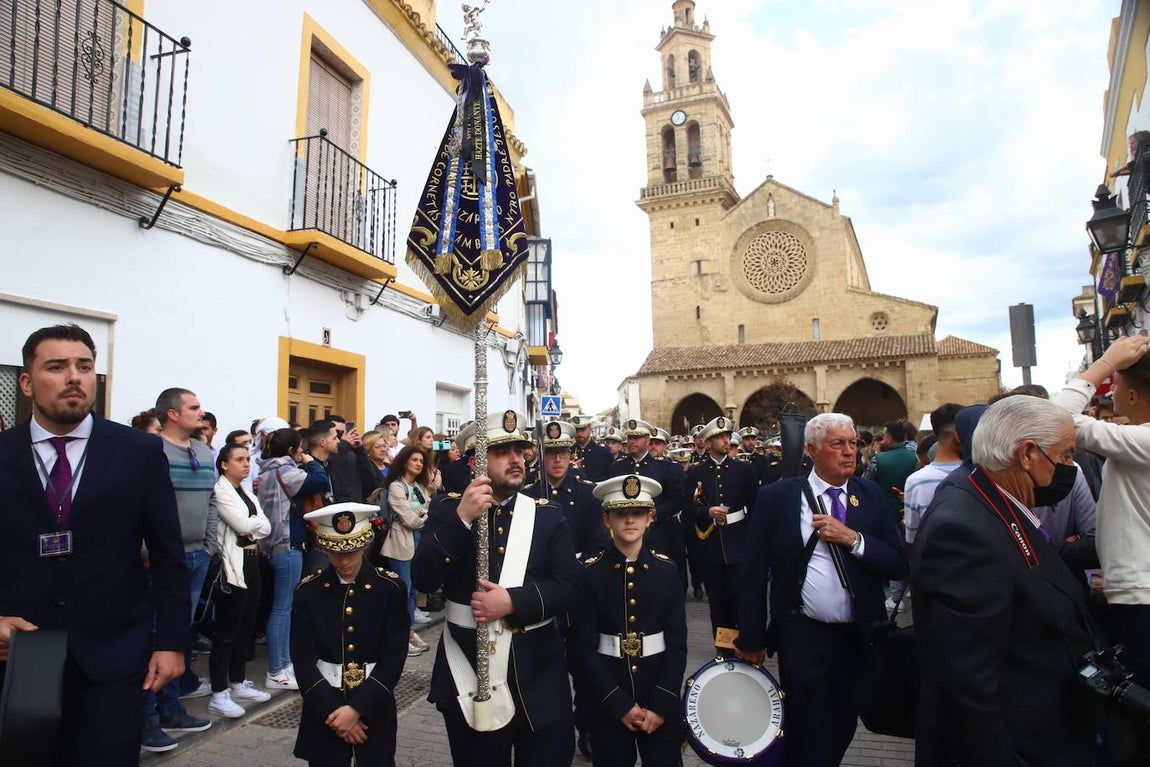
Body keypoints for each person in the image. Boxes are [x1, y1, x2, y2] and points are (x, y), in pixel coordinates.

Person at [0, 324, 189, 762]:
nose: (74, 377)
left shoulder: (137, 452)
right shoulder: (4, 454)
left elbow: (167, 554)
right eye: (56, 366)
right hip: (20, 657)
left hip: (114, 657)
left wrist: (172, 642)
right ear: (26, 382)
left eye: (84, 366)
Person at [912, 395, 1102, 766]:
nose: (1070, 467)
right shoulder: (963, 528)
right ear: (1027, 453)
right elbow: (967, 684)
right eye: (1065, 455)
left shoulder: (988, 502)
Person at [735, 413, 907, 767]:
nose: (849, 453)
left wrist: (853, 540)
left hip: (858, 636)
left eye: (853, 444)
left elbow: (897, 563)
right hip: (804, 635)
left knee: (844, 723)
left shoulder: (869, 494)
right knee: (808, 726)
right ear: (812, 450)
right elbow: (753, 573)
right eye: (838, 444)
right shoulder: (777, 498)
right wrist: (752, 638)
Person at [411, 410, 582, 766]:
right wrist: (463, 519)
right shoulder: (447, 512)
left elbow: (570, 587)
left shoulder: (548, 515)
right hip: (470, 672)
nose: (516, 459)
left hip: (539, 676)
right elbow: (424, 579)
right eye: (503, 452)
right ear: (476, 461)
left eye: (519, 450)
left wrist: (513, 602)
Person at [1051, 334, 1150, 757]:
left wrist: (1104, 361)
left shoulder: (1142, 443)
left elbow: (1052, 418)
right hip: (1133, 590)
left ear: (1129, 393)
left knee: (1132, 714)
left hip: (1140, 598)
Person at [572, 474, 687, 767]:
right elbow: (582, 648)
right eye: (620, 514)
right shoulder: (590, 573)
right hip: (609, 698)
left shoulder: (666, 569)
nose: (630, 521)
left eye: (637, 513)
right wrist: (617, 704)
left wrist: (661, 703)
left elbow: (677, 643)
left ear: (650, 518)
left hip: (657, 692)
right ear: (606, 520)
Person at [292, 503, 410, 767]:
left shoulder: (390, 589)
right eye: (335, 552)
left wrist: (357, 709)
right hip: (324, 706)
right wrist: (335, 713)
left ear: (365, 545)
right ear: (325, 548)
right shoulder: (308, 592)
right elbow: (302, 660)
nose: (344, 561)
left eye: (352, 551)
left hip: (374, 704)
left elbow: (394, 656)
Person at [149, 387, 217, 736]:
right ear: (172, 414)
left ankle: (172, 709)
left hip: (197, 557)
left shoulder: (204, 451)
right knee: (155, 636)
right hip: (162, 562)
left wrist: (207, 545)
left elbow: (211, 501)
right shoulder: (152, 450)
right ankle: (148, 717)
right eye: (193, 407)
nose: (200, 413)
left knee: (179, 635)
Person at [257, 427, 331, 691]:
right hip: (286, 544)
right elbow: (321, 480)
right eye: (300, 449)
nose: (303, 453)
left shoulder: (267, 471)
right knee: (282, 608)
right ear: (291, 451)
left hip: (280, 544)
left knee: (285, 607)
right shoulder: (286, 472)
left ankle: (285, 663)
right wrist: (312, 463)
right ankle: (276, 670)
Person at [206, 445, 272, 718]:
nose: (246, 464)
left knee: (246, 625)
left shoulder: (245, 491)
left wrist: (253, 523)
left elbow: (265, 525)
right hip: (233, 565)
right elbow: (244, 526)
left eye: (247, 459)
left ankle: (237, 681)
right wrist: (254, 524)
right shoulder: (221, 491)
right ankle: (219, 693)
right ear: (224, 464)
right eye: (239, 460)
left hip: (253, 562)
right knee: (228, 630)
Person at [684, 416, 759, 648]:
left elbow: (755, 507)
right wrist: (707, 512)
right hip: (711, 545)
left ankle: (744, 644)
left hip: (738, 541)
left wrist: (752, 541)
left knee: (740, 599)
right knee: (717, 603)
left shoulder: (743, 470)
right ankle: (724, 647)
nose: (726, 441)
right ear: (708, 442)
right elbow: (688, 508)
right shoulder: (697, 473)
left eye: (727, 436)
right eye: (720, 438)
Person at [610, 419, 686, 591]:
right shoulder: (618, 468)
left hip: (660, 533)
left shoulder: (666, 468)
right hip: (628, 533)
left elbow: (679, 499)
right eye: (629, 438)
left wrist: (656, 512)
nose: (631, 442)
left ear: (647, 441)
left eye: (637, 438)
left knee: (662, 579)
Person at [377, 445, 432, 656]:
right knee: (402, 591)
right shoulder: (396, 487)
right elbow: (410, 520)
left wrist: (421, 514)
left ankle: (407, 632)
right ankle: (399, 636)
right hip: (401, 543)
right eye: (415, 460)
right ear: (405, 461)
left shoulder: (418, 486)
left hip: (418, 541)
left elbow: (427, 509)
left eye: (421, 461)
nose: (418, 464)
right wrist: (423, 514)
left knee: (412, 592)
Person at [524, 420, 606, 557]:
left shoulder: (589, 494)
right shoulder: (527, 495)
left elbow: (598, 545)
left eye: (562, 452)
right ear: (540, 455)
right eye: (550, 452)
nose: (557, 459)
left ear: (570, 455)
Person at [571, 415, 612, 481]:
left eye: (583, 429)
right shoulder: (568, 452)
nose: (579, 434)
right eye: (576, 430)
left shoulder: (604, 453)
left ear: (590, 429)